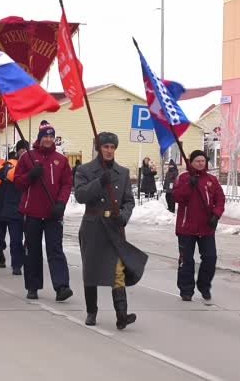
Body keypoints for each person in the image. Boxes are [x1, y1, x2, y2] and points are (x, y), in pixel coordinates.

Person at [75, 132, 145, 330]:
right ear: (99, 148)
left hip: (114, 227)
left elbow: (129, 201)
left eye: (112, 147)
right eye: (105, 147)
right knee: (91, 270)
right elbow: (80, 195)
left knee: (118, 271)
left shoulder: (122, 172)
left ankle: (121, 315)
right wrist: (99, 182)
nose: (109, 150)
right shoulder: (85, 170)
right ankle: (91, 311)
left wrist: (123, 216)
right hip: (93, 226)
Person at [15, 121, 73, 301]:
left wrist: (61, 204)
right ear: (39, 139)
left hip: (53, 213)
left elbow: (66, 184)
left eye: (50, 136)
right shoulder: (28, 158)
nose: (48, 139)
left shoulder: (61, 160)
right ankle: (32, 286)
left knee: (55, 249)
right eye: (45, 136)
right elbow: (18, 182)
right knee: (32, 250)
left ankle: (61, 286)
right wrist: (31, 176)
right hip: (32, 212)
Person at [173, 150, 225, 301]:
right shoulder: (184, 178)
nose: (200, 163)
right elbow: (176, 197)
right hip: (186, 227)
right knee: (186, 260)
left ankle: (204, 285)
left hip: (206, 227)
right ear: (191, 162)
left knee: (210, 258)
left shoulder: (211, 180)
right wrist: (189, 185)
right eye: (197, 161)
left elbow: (220, 199)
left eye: (203, 161)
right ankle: (186, 290)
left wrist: (216, 214)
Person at [0, 140, 28, 274]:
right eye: (21, 150)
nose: (23, 152)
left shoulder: (30, 167)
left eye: (26, 150)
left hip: (16, 209)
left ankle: (16, 265)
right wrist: (2, 172)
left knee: (16, 240)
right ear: (17, 152)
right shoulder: (6, 166)